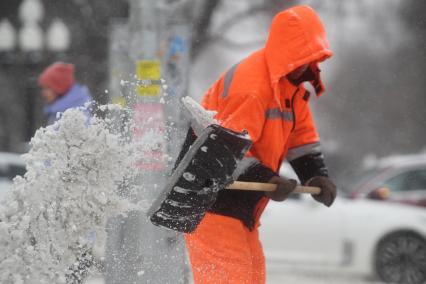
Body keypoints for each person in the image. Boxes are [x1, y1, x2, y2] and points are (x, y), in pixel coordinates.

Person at [184, 5, 337, 284]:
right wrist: (267, 179)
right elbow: (222, 154)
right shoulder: (252, 87)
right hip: (212, 205)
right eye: (306, 57)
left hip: (242, 210)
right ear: (289, 54)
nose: (310, 65)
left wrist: (317, 176)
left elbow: (301, 141)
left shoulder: (291, 91)